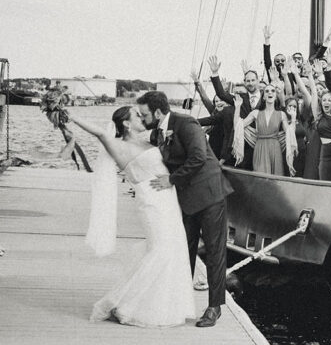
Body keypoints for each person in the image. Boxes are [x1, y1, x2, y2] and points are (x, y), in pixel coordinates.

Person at [65, 105, 196, 327]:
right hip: (151, 201)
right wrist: (72, 117)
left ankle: (162, 304)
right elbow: (99, 132)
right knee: (160, 250)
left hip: (169, 200)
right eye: (136, 114)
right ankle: (120, 303)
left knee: (174, 248)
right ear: (126, 123)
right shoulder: (118, 145)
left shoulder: (149, 141)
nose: (141, 116)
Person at [136, 91, 232, 328]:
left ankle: (214, 307)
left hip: (210, 195)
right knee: (184, 251)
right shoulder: (159, 131)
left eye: (144, 114)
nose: (142, 117)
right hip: (187, 200)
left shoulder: (186, 123)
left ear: (158, 112)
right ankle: (179, 303)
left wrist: (171, 180)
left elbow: (199, 157)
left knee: (214, 251)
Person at [241, 82, 295, 175]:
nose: (270, 93)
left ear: (276, 95)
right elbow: (239, 126)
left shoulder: (282, 114)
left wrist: (293, 118)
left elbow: (290, 133)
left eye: (273, 91)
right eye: (267, 91)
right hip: (260, 147)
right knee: (260, 176)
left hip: (275, 148)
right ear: (263, 97)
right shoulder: (255, 113)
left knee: (276, 176)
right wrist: (237, 107)